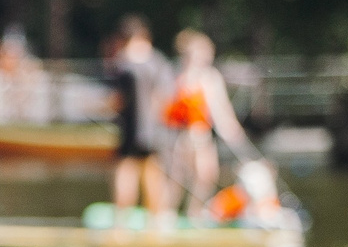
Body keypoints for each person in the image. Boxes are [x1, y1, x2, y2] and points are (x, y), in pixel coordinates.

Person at [161, 30, 261, 220]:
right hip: (179, 136)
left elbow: (221, 108)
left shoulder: (211, 77)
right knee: (177, 177)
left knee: (207, 175)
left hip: (201, 134)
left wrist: (232, 130)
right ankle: (166, 214)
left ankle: (194, 213)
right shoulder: (176, 75)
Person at [107, 17, 172, 222]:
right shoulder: (157, 61)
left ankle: (120, 224)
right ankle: (156, 223)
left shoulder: (123, 63)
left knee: (126, 174)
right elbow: (165, 98)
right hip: (154, 131)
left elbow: (117, 101)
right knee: (153, 177)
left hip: (130, 130)